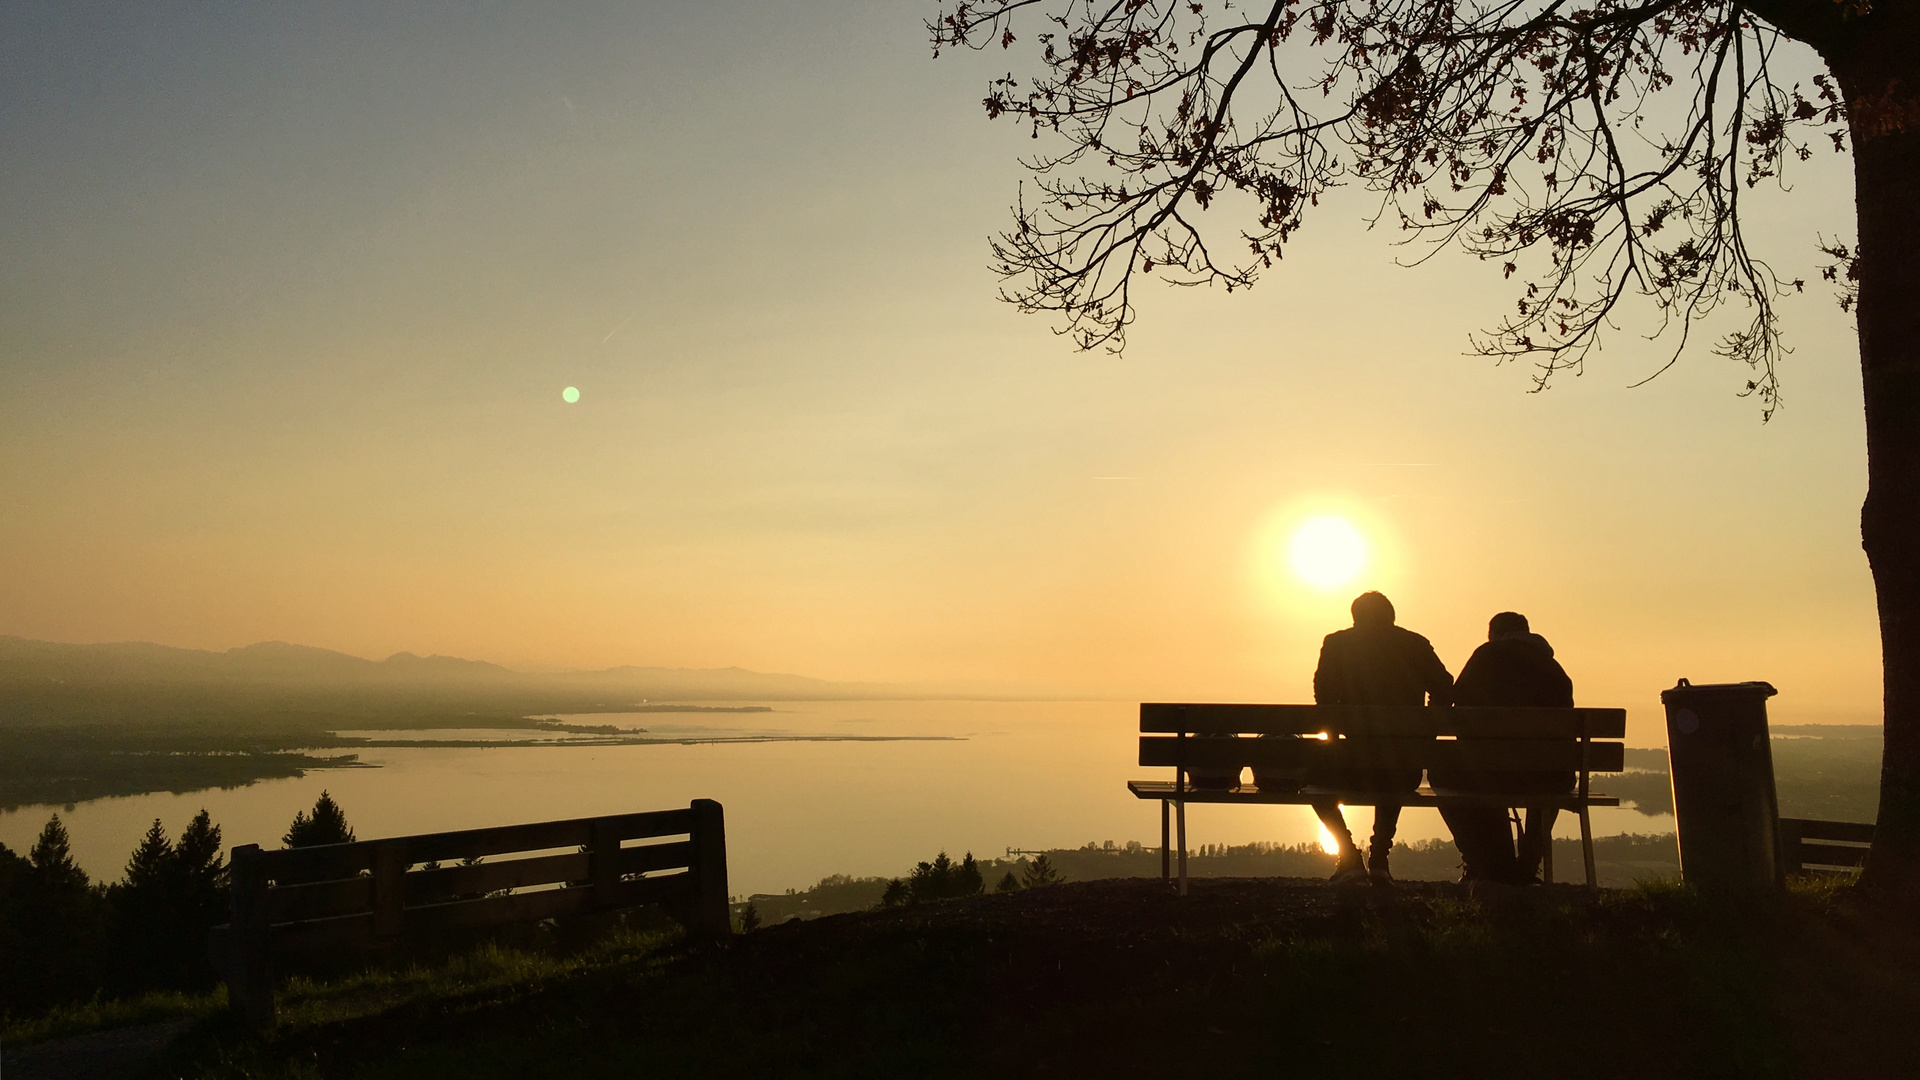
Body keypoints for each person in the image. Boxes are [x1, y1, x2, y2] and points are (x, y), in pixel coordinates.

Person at [1310, 591, 1453, 885]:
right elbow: (1444, 686)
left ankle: (1349, 857)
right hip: (1403, 768)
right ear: (1391, 616)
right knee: (1392, 765)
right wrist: (1425, 734)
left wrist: (1337, 736)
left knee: (1312, 782)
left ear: (1355, 617)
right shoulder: (1414, 644)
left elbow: (1324, 699)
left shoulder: (1337, 644)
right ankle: (1379, 860)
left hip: (1349, 767)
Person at [1434, 611, 1575, 884]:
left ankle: (1481, 861)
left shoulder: (1485, 657)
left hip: (1489, 773)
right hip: (1547, 775)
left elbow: (1456, 708)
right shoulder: (1553, 667)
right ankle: (1529, 861)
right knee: (1549, 777)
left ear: (1494, 635)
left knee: (1442, 775)